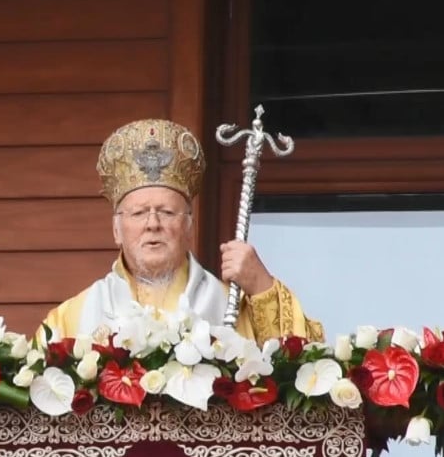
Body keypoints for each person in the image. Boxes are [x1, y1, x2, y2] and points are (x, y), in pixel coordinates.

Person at [42, 118, 323, 343]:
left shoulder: (228, 308)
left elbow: (304, 365)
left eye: (167, 212)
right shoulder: (69, 320)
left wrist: (262, 286)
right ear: (117, 230)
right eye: (139, 213)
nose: (153, 224)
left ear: (189, 228)